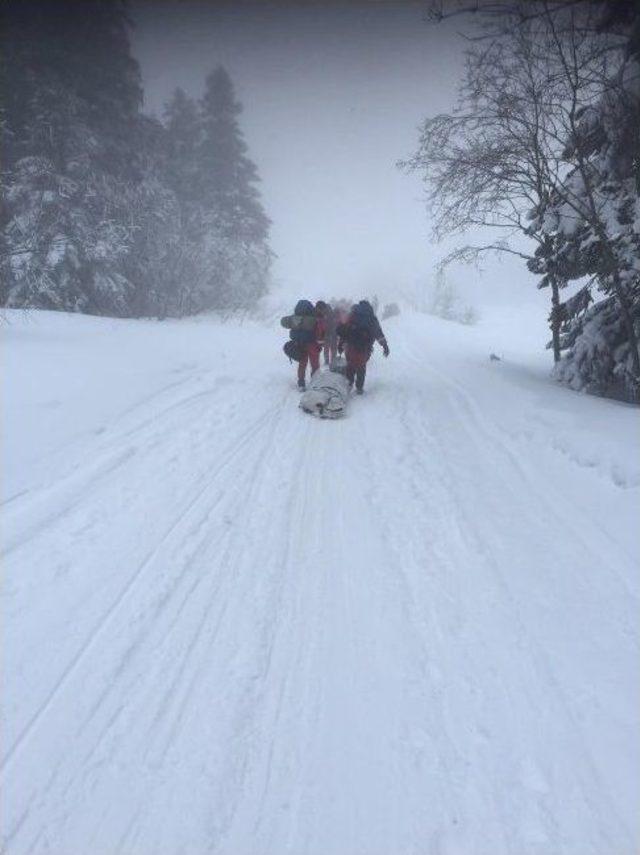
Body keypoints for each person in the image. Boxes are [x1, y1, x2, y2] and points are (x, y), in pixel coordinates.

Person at [337, 299, 389, 393]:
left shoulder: (352, 315)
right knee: (361, 366)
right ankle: (359, 388)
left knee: (350, 364)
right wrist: (385, 346)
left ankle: (349, 383)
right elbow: (378, 334)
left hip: (351, 345)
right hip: (365, 347)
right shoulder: (371, 318)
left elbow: (345, 331)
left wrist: (340, 344)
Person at [288, 299, 324, 390]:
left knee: (302, 363)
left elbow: (292, 331)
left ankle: (301, 383)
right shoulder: (314, 317)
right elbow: (319, 332)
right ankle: (315, 383)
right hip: (312, 344)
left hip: (299, 343)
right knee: (315, 364)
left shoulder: (296, 318)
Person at [315, 300, 338, 365]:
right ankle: (328, 361)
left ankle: (331, 361)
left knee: (330, 348)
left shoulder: (328, 312)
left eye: (319, 309)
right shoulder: (324, 312)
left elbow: (332, 323)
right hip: (329, 333)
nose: (318, 311)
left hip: (330, 333)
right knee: (329, 348)